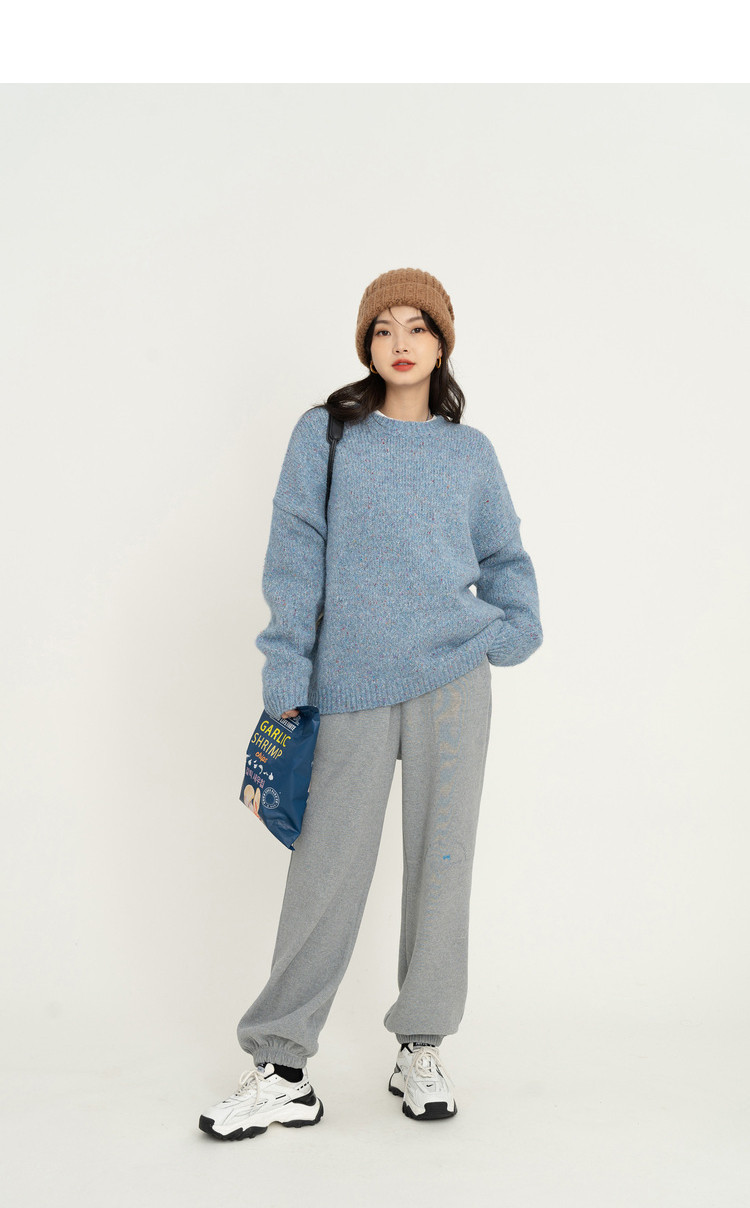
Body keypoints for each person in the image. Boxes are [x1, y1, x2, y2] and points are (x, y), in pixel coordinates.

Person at [198, 267, 543, 1141]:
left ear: (441, 342)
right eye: (384, 327)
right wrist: (287, 681)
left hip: (453, 684)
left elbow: (505, 560)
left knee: (443, 867)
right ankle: (281, 1063)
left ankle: (420, 1046)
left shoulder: (470, 453)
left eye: (417, 326)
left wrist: (511, 630)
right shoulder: (327, 434)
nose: (400, 342)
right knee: (325, 872)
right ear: (366, 343)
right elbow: (293, 560)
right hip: (348, 684)